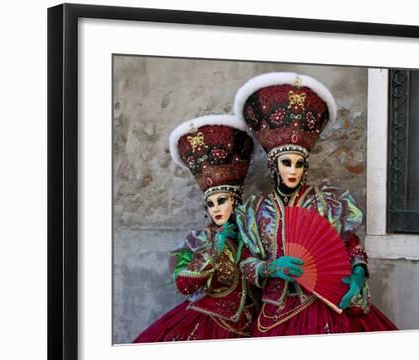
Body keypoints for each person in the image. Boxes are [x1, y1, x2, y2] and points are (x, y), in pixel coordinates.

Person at [233, 72, 397, 336]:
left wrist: (357, 272)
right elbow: (244, 261)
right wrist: (270, 267)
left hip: (324, 305)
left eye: (299, 163)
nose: (293, 170)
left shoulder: (327, 203)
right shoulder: (256, 211)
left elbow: (351, 246)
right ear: (274, 166)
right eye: (287, 163)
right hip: (274, 312)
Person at [133, 115, 258, 342]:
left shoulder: (251, 235)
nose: (216, 209)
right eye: (210, 204)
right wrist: (212, 253)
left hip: (249, 326)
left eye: (222, 201)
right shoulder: (200, 239)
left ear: (235, 201)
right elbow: (184, 285)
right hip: (210, 324)